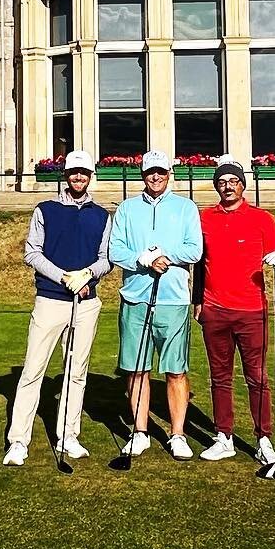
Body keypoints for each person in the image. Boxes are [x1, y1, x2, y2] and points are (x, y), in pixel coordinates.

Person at [2, 150, 113, 467]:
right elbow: (32, 253)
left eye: (84, 173)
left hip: (86, 303)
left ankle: (68, 436)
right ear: (65, 175)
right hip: (51, 299)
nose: (79, 177)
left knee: (76, 374)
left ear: (91, 176)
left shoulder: (102, 215)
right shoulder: (45, 210)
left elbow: (107, 257)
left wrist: (89, 274)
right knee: (32, 371)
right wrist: (65, 277)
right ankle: (18, 441)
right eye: (74, 172)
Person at [193, 156, 275, 467]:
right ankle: (224, 437)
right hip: (215, 309)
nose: (227, 187)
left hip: (251, 311)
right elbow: (199, 263)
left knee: (257, 378)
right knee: (220, 377)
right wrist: (198, 302)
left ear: (242, 185)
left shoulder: (262, 219)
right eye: (221, 183)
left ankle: (263, 439)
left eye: (232, 182)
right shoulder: (205, 218)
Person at [108, 149, 203, 461]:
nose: (156, 176)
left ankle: (177, 435)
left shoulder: (186, 207)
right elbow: (115, 251)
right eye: (150, 171)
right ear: (142, 174)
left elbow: (194, 250)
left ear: (169, 173)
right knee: (136, 370)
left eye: (161, 171)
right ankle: (139, 432)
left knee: (175, 371)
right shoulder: (126, 209)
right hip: (135, 297)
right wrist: (143, 259)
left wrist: (165, 255)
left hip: (173, 300)